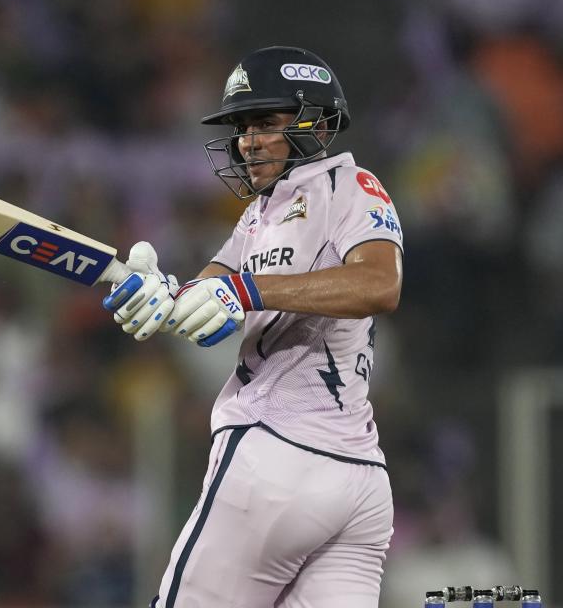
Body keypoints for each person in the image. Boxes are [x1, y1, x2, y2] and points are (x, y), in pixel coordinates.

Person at [103, 46, 404, 608]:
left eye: (265, 122)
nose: (246, 140)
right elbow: (207, 297)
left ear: (315, 122)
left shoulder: (351, 186)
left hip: (277, 455)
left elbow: (379, 284)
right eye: (242, 127)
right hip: (356, 483)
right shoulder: (258, 214)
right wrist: (156, 296)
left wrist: (242, 291)